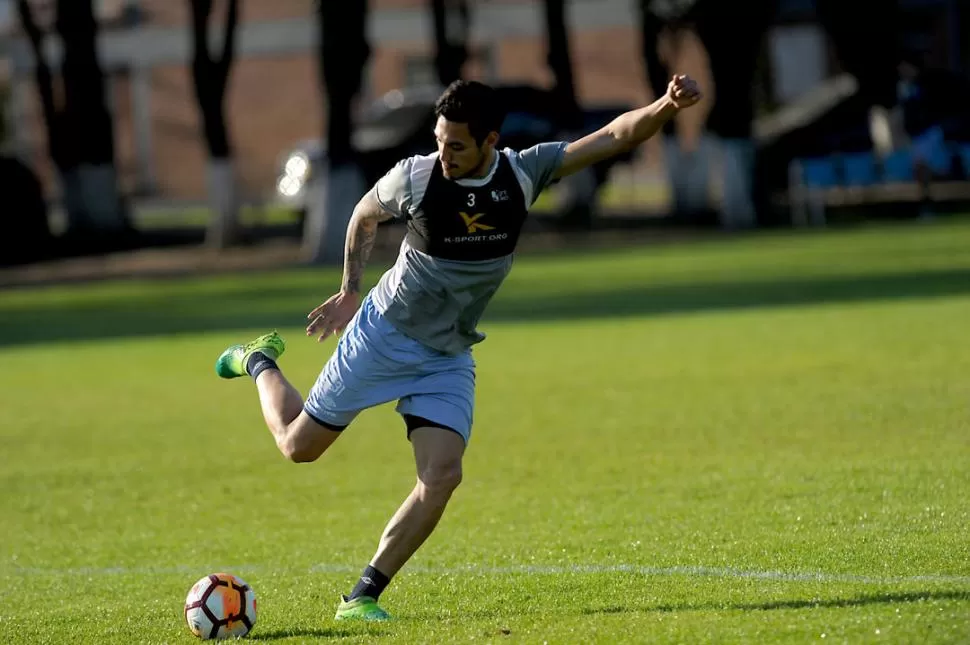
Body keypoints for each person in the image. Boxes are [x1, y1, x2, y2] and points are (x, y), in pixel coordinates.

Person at [214, 74, 702, 621]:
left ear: (491, 140)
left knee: (442, 475)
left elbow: (614, 136)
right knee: (298, 446)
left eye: (457, 145)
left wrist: (664, 105)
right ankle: (257, 360)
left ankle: (361, 597)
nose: (443, 154)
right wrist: (351, 290)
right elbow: (362, 214)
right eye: (439, 140)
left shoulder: (522, 173)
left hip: (447, 355)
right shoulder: (417, 178)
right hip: (384, 337)